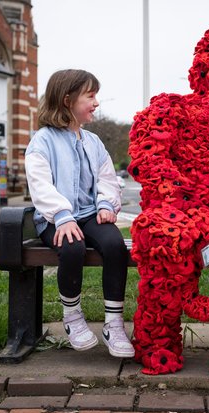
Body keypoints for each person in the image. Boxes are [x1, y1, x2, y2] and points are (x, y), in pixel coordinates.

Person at [24, 69, 134, 358]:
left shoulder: (93, 142)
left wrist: (106, 205)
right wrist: (61, 215)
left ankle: (113, 323)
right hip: (55, 218)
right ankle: (72, 316)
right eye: (91, 95)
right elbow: (40, 184)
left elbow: (108, 178)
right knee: (71, 248)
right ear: (67, 99)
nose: (96, 102)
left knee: (114, 245)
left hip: (88, 213)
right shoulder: (43, 141)